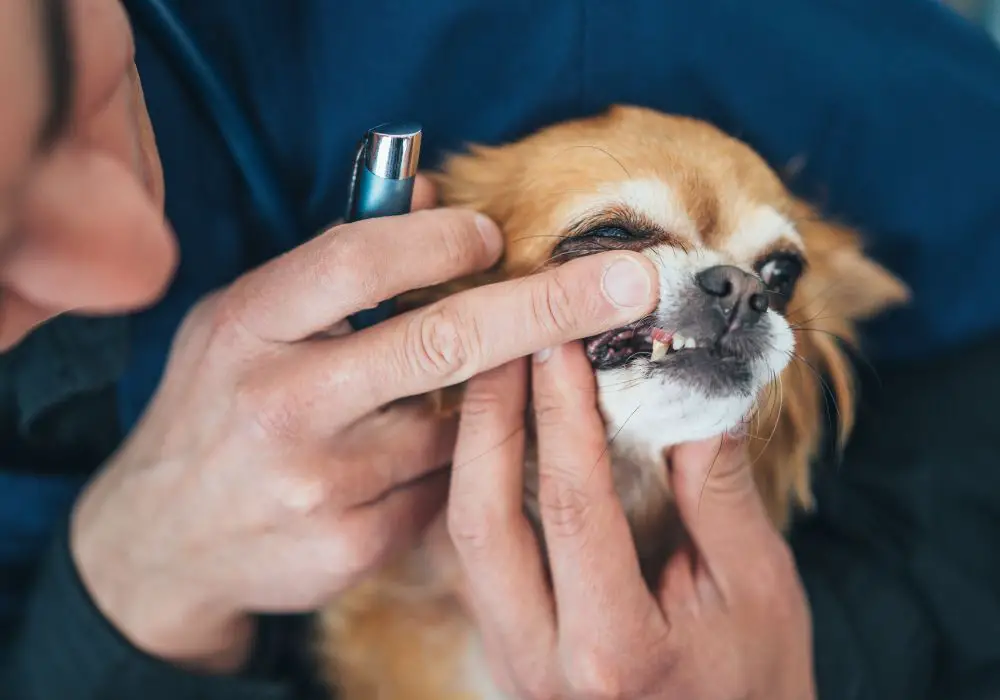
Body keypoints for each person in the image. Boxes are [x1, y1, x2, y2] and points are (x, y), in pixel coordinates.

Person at [1, 0, 999, 698]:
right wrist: (124, 596)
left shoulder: (615, 20)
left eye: (55, 106)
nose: (133, 266)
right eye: (1, 264)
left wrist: (828, 643)